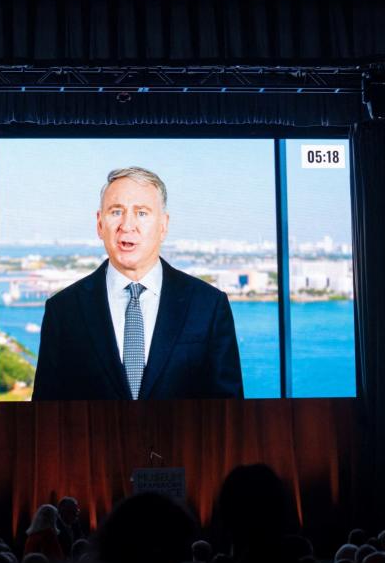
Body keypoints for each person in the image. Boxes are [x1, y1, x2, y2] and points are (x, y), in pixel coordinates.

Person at [32, 167, 243, 400]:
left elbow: (230, 416)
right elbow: (45, 417)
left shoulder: (209, 305)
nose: (127, 225)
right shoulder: (63, 310)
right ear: (100, 224)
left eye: (141, 213)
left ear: (163, 225)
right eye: (115, 212)